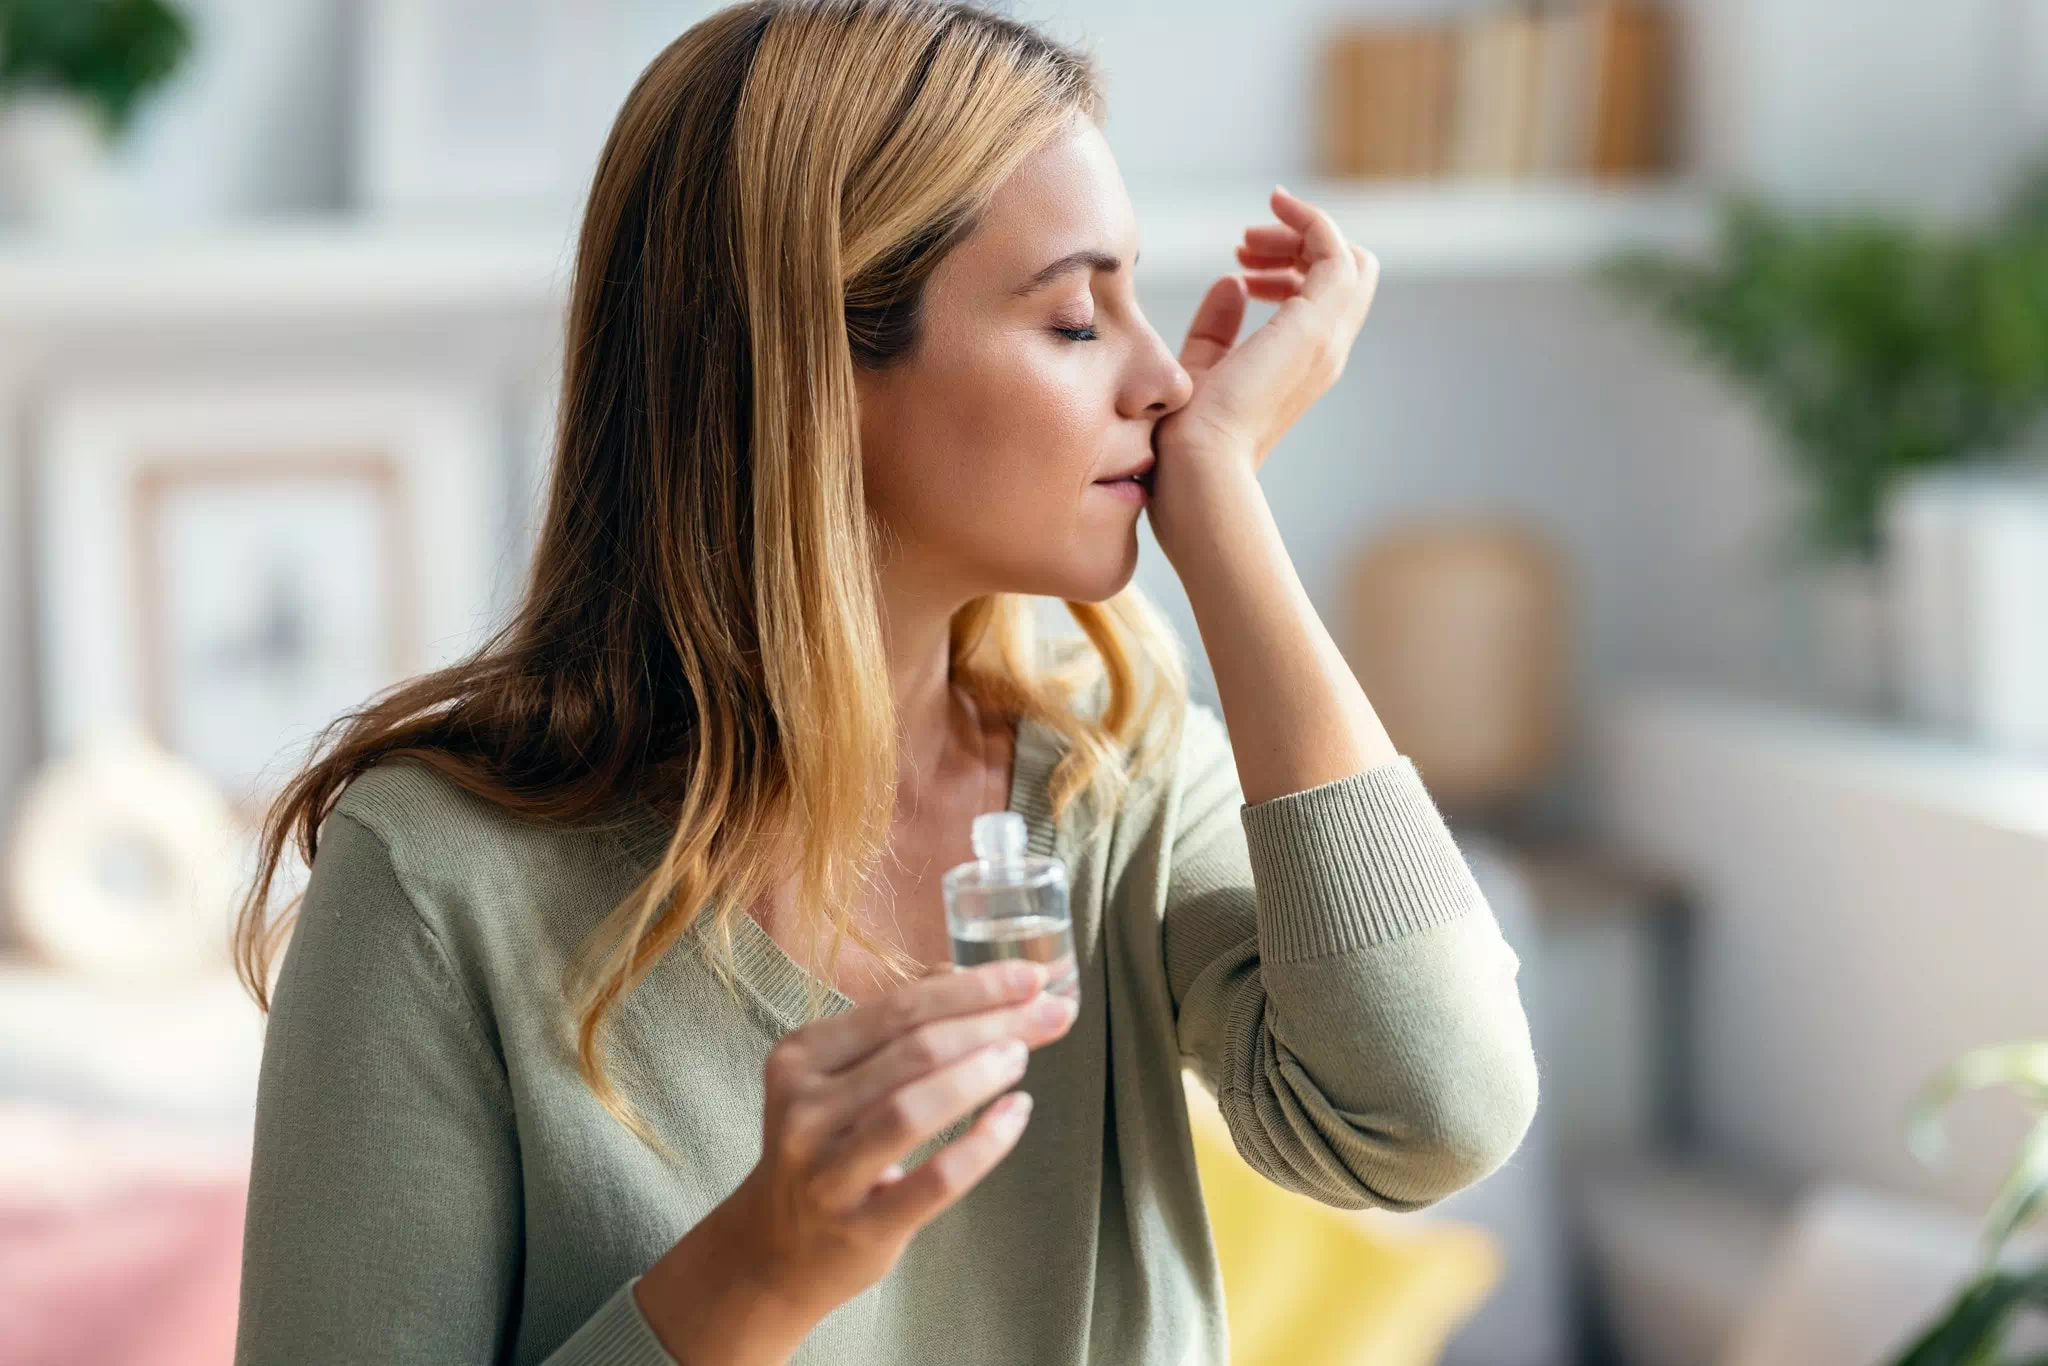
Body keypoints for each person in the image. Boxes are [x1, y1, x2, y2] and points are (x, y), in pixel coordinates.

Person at [229, 3, 1539, 1363]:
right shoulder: (441, 883)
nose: (1166, 380)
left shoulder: (1117, 770)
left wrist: (1226, 518)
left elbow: (1433, 1112)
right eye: (1077, 318)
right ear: (814, 364)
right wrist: (758, 1269)